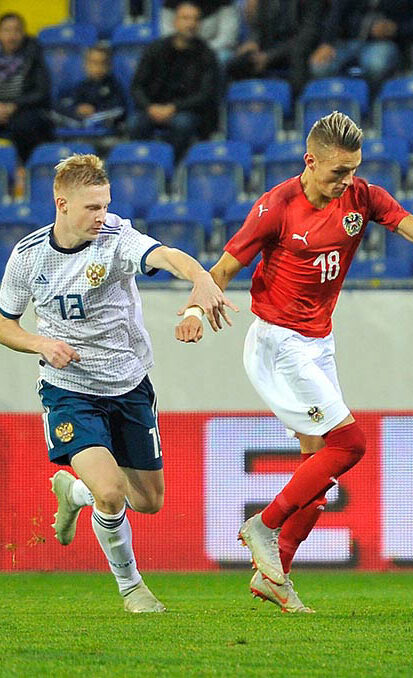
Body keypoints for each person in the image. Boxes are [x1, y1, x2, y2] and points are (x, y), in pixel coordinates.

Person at [175, 111, 413, 613]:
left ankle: (275, 574)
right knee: (349, 443)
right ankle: (262, 527)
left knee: (318, 471)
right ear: (310, 161)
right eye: (337, 173)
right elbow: (221, 268)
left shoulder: (363, 197)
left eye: (353, 170)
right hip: (278, 343)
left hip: (318, 344)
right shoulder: (276, 207)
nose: (347, 181)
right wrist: (197, 306)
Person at [0, 154, 237, 612]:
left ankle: (74, 492)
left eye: (105, 205)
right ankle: (132, 588)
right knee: (111, 494)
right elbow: (4, 323)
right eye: (91, 207)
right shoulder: (28, 257)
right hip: (69, 388)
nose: (101, 216)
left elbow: (165, 255)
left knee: (148, 501)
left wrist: (201, 279)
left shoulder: (115, 240)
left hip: (129, 385)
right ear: (61, 203)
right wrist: (39, 344)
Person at [130, 1, 220, 159]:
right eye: (186, 18)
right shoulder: (155, 49)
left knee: (182, 125)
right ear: (175, 21)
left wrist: (174, 107)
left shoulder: (206, 54)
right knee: (135, 124)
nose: (190, 24)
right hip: (153, 108)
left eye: (195, 19)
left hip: (186, 111)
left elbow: (205, 94)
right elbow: (137, 86)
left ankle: (173, 166)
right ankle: (145, 165)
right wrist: (149, 107)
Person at [309, 0, 413, 89]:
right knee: (320, 65)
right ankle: (337, 110)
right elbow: (336, 14)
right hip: (349, 40)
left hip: (388, 42)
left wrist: (396, 29)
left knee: (375, 64)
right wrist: (326, 43)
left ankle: (371, 110)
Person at [227, 0, 325, 97]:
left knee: (298, 56)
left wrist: (269, 57)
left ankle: (295, 106)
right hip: (268, 49)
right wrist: (254, 42)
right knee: (236, 63)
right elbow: (259, 28)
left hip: (298, 49)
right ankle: (247, 104)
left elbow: (307, 36)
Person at [0, 12, 53, 162]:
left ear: (23, 33)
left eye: (16, 30)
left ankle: (25, 168)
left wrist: (14, 105)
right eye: (6, 30)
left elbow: (41, 91)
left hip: (24, 108)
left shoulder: (33, 52)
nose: (12, 36)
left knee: (26, 125)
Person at [53, 45, 126, 132]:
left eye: (102, 63)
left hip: (102, 124)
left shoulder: (113, 85)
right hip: (79, 120)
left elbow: (118, 108)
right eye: (93, 63)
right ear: (85, 65)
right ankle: (78, 123)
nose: (97, 68)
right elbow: (71, 103)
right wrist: (78, 109)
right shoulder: (82, 85)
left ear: (109, 66)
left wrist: (94, 111)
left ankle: (83, 123)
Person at [160, 0, 240, 64]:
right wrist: (186, 51)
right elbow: (168, 35)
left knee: (221, 57)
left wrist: (202, 51)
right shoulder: (171, 3)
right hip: (180, 50)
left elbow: (227, 38)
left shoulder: (224, 3)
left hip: (214, 49)